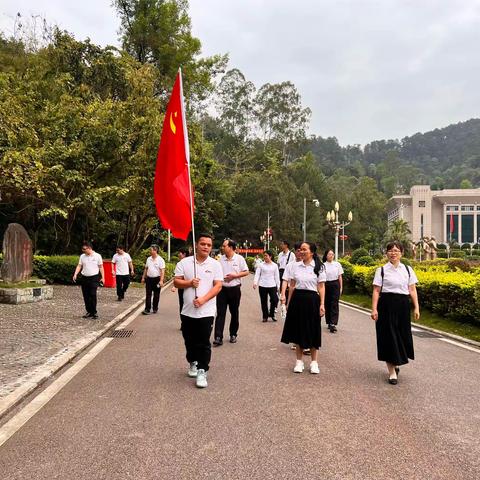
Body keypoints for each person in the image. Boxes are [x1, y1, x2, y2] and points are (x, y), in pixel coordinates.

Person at [174, 234, 223, 388]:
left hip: (206, 311)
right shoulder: (185, 263)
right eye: (203, 244)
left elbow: (218, 286)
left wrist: (203, 299)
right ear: (196, 245)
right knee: (189, 340)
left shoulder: (215, 265)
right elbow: (176, 282)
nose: (206, 247)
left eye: (209, 245)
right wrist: (189, 283)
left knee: (203, 342)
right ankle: (192, 362)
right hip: (187, 311)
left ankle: (202, 370)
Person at [371, 241, 420, 385]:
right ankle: (392, 371)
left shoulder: (408, 269)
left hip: (403, 305)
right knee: (388, 336)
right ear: (386, 253)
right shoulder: (381, 270)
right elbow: (376, 290)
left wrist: (416, 307)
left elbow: (412, 289)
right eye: (391, 251)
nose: (393, 253)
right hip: (386, 305)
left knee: (402, 335)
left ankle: (397, 361)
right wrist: (374, 309)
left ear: (401, 253)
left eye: (396, 250)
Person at [281, 242, 326, 374]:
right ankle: (299, 361)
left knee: (313, 330)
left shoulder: (319, 267)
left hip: (312, 300)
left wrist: (322, 304)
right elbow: (292, 286)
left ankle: (314, 362)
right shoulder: (296, 266)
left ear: (312, 252)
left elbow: (321, 287)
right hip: (297, 300)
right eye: (300, 250)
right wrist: (288, 303)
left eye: (304, 250)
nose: (301, 252)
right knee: (298, 330)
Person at [213, 239, 249, 346]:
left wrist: (235, 276)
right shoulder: (220, 259)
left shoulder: (239, 259)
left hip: (235, 289)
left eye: (224, 246)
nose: (222, 248)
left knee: (234, 312)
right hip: (222, 290)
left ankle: (233, 334)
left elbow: (246, 271)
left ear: (231, 247)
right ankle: (218, 337)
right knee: (220, 313)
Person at [73, 241, 104, 319]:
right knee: (86, 295)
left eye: (84, 249)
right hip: (84, 277)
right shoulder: (82, 256)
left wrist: (103, 277)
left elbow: (101, 267)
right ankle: (89, 311)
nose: (83, 250)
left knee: (93, 294)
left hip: (94, 277)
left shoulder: (97, 256)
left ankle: (94, 312)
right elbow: (79, 265)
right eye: (82, 249)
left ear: (89, 248)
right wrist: (75, 274)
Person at [253, 250, 280, 322]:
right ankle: (265, 316)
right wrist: (255, 283)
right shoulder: (261, 265)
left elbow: (277, 276)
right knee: (263, 301)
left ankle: (271, 314)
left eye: (266, 256)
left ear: (270, 256)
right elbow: (257, 274)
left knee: (275, 299)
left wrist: (278, 286)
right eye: (264, 256)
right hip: (262, 285)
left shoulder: (275, 265)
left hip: (272, 285)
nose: (264, 257)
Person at [322, 248, 344, 333]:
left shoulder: (337, 264)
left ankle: (333, 323)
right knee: (327, 303)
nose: (331, 256)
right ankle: (329, 321)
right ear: (326, 255)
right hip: (326, 284)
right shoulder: (323, 265)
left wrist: (341, 287)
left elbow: (340, 277)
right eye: (329, 254)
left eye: (332, 254)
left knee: (334, 303)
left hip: (335, 284)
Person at [141, 245, 165, 315]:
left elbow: (162, 271)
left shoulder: (160, 260)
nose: (150, 251)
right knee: (148, 294)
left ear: (155, 250)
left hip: (157, 279)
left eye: (151, 250)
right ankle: (147, 309)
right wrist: (143, 277)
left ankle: (155, 308)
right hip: (149, 279)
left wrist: (161, 280)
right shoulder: (148, 259)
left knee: (156, 295)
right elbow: (146, 269)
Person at [170, 248, 189, 314]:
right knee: (183, 304)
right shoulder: (180, 263)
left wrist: (174, 286)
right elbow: (177, 277)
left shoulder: (189, 263)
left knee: (183, 304)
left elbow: (178, 278)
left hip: (187, 287)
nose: (178, 254)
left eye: (180, 253)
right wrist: (175, 286)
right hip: (182, 287)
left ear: (184, 254)